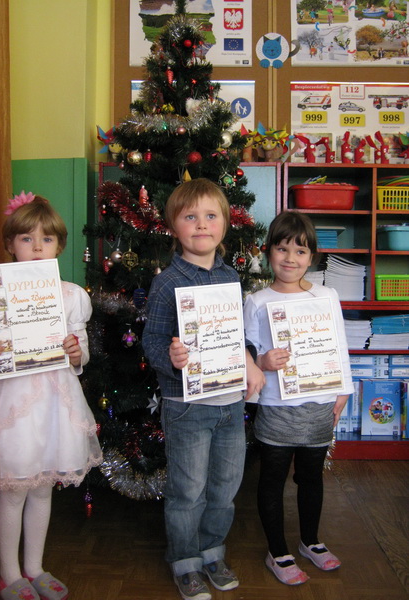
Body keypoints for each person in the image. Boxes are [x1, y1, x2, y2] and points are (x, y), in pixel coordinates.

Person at [0, 192, 103, 600]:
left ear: (59, 245)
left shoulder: (72, 296)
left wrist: (76, 352)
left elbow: (82, 352)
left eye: (47, 239)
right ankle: (9, 574)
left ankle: (35, 567)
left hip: (56, 404)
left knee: (42, 488)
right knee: (15, 489)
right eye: (27, 238)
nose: (37, 246)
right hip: (12, 406)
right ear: (10, 244)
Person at [142, 178, 265, 600]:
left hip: (230, 403)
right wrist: (171, 357)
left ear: (225, 224)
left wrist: (250, 361)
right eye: (190, 217)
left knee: (225, 487)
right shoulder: (167, 282)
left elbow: (238, 336)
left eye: (211, 216)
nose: (201, 224)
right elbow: (152, 341)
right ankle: (185, 561)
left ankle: (212, 552)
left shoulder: (230, 276)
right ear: (173, 226)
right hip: (187, 405)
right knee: (187, 490)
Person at [243, 210, 354, 586]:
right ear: (268, 252)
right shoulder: (257, 301)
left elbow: (339, 343)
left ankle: (310, 540)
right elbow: (247, 354)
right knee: (272, 478)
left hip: (319, 403)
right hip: (277, 406)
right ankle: (277, 550)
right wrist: (261, 361)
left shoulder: (326, 295)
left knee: (311, 476)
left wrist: (343, 389)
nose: (290, 258)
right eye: (282, 249)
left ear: (312, 257)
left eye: (300, 251)